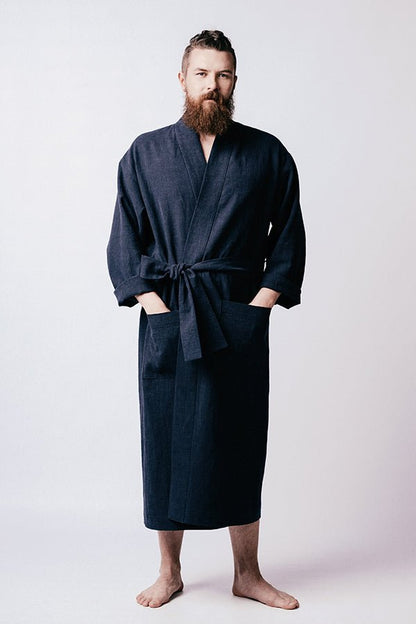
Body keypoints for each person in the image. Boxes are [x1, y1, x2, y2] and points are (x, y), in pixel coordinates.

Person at [106, 30, 306, 610]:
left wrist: (257, 309)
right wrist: (155, 308)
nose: (212, 85)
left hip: (235, 316)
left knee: (241, 438)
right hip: (170, 313)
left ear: (234, 82)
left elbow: (288, 238)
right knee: (165, 439)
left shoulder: (266, 154)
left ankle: (248, 573)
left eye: (223, 75)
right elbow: (125, 239)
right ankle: (169, 571)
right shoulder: (145, 153)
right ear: (182, 79)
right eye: (202, 74)